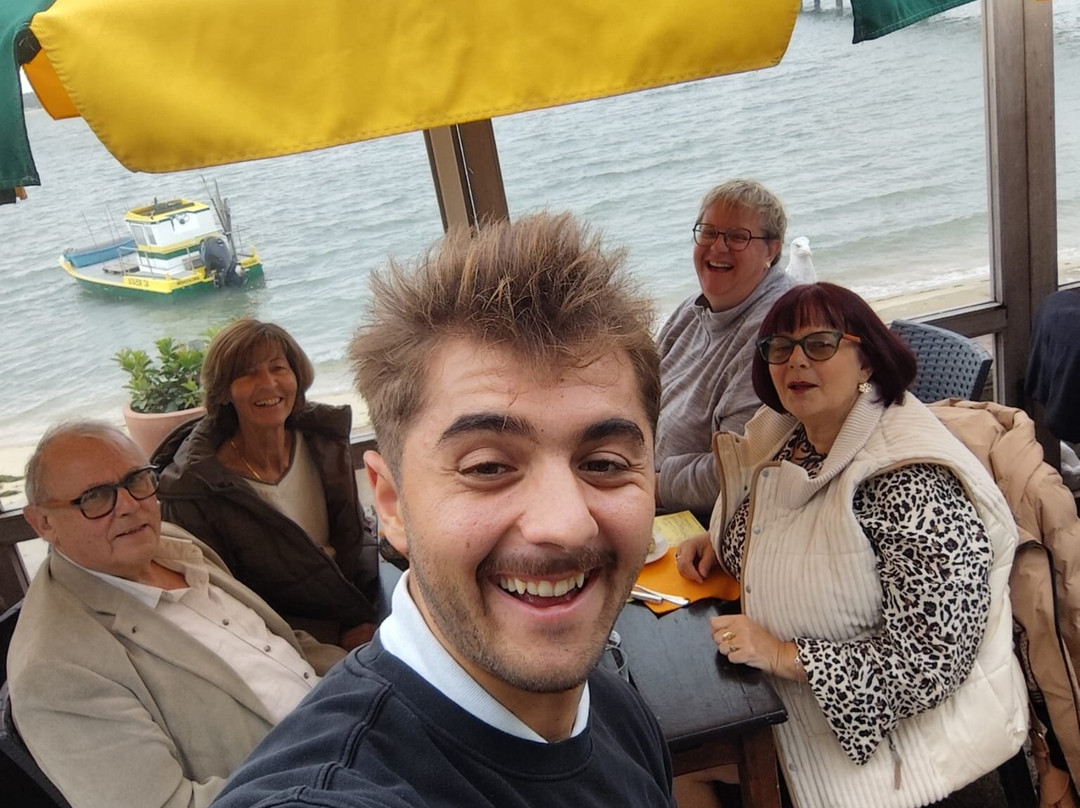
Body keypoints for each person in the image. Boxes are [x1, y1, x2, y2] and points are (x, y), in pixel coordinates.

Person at [212, 212, 676, 808]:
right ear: (391, 503)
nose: (564, 524)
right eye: (487, 467)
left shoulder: (612, 709)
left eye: (605, 464)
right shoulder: (336, 792)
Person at [675, 283, 1028, 808]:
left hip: (888, 740)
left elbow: (930, 664)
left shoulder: (910, 484)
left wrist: (781, 654)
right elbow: (791, 528)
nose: (795, 361)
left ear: (867, 362)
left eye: (819, 344)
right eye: (779, 347)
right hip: (795, 699)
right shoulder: (796, 435)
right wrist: (722, 537)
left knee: (674, 764)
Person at [9, 421, 346, 808]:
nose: (129, 506)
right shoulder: (54, 671)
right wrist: (340, 774)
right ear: (43, 523)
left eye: (136, 479)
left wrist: (368, 673)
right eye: (95, 497)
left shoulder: (172, 542)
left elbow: (275, 643)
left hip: (347, 715)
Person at [154, 319, 380, 649]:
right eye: (247, 374)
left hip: (364, 598)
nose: (268, 383)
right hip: (290, 638)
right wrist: (331, 637)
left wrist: (371, 607)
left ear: (296, 375)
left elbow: (353, 535)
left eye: (278, 368)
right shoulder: (195, 489)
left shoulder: (322, 438)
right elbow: (222, 599)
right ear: (224, 391)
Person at [655, 178, 795, 515]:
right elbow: (641, 392)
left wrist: (645, 487)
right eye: (708, 232)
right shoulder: (693, 309)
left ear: (771, 250)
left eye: (737, 236)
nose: (718, 248)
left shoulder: (777, 335)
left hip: (697, 516)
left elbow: (734, 471)